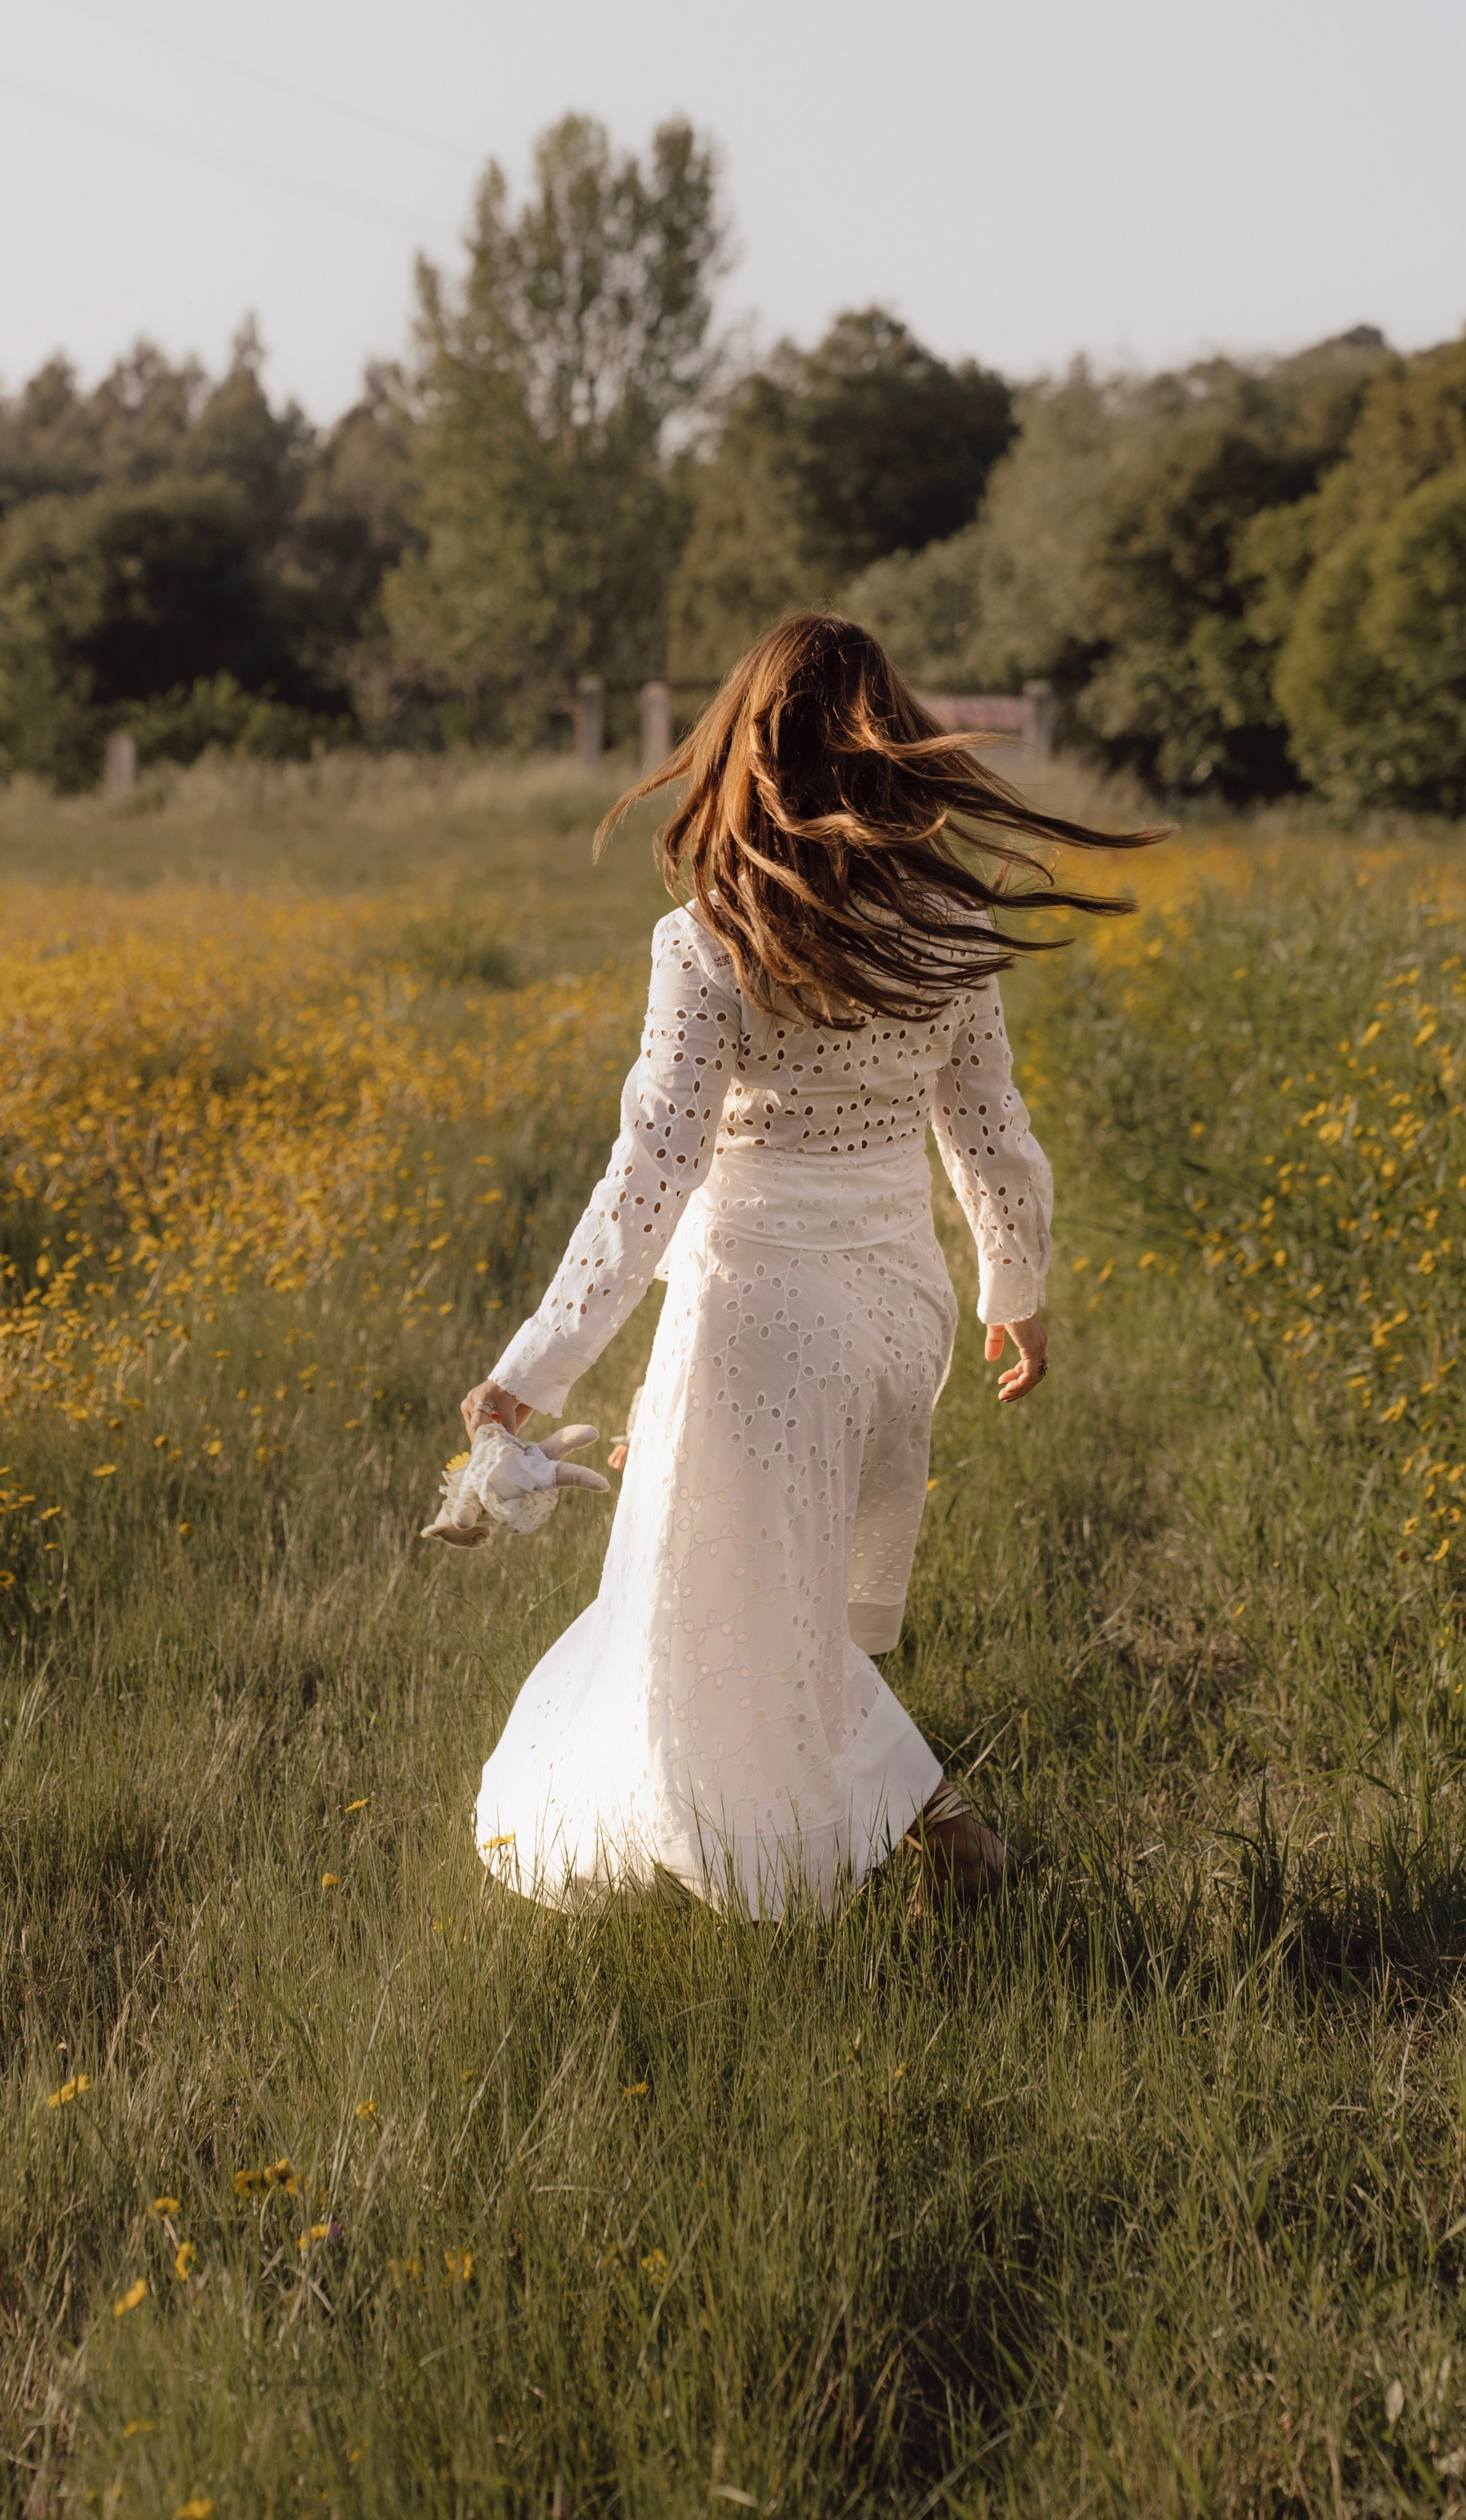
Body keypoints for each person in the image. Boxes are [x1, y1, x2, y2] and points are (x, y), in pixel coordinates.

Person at [464, 614, 1162, 1916]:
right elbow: (994, 1135)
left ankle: (940, 1834)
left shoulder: (707, 944)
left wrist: (530, 1373)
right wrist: (1017, 1289)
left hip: (763, 1321)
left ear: (744, 752)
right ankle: (837, 1842)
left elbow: (645, 1185)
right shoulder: (944, 926)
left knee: (738, 1609)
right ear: (887, 750)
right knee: (770, 1603)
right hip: (900, 1310)